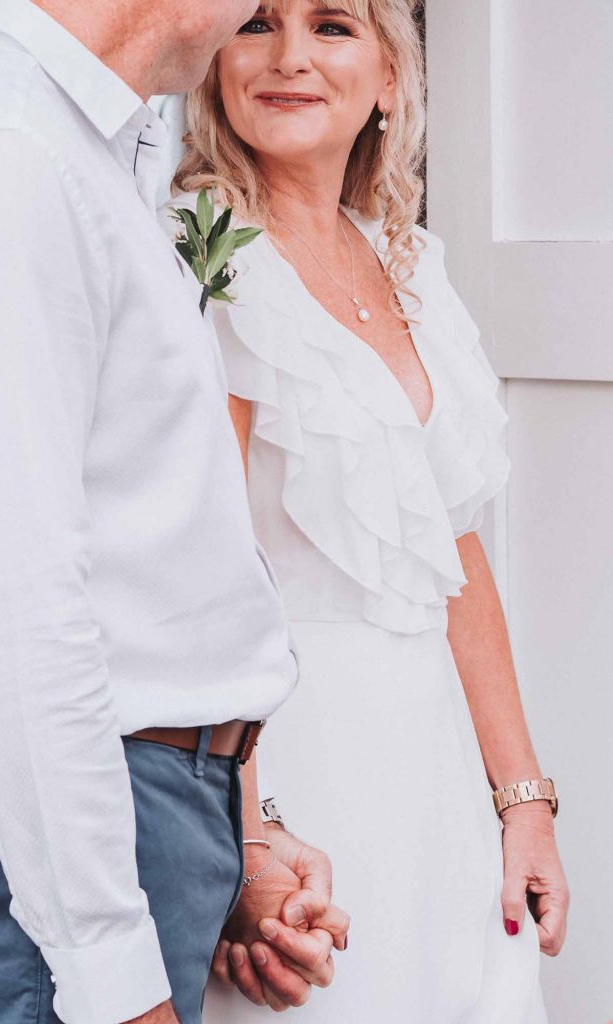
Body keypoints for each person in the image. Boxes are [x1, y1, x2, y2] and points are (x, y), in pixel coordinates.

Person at [0, 2, 349, 1024]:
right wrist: (109, 971)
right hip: (33, 841)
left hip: (126, 806)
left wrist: (223, 824)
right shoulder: (8, 152)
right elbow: (9, 603)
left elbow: (140, 544)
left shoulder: (88, 149)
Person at [164, 0, 570, 1019]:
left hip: (428, 763)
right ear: (215, 60)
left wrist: (522, 804)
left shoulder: (412, 269)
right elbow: (192, 575)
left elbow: (457, 551)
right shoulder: (191, 258)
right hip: (283, 759)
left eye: (332, 25)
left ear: (391, 77)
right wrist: (242, 838)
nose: (289, 56)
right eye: (255, 23)